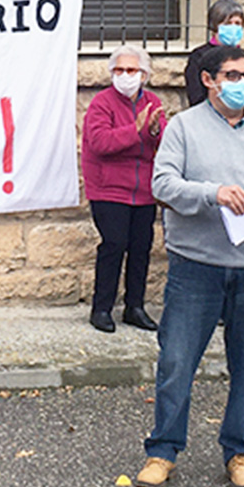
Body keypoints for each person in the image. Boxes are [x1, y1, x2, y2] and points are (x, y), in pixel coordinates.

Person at [134, 45, 244, 487]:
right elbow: (163, 183)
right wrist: (212, 193)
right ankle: (162, 451)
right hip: (196, 266)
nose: (242, 84)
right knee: (176, 361)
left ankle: (240, 452)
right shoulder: (183, 127)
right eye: (231, 76)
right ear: (210, 80)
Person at [80, 44, 165, 334]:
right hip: (109, 190)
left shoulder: (152, 101)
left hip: (143, 190)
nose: (125, 75)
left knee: (141, 248)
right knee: (114, 245)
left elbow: (163, 142)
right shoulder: (101, 103)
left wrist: (154, 130)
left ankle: (135, 307)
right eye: (119, 70)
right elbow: (102, 143)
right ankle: (101, 308)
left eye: (131, 70)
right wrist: (137, 129)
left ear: (144, 74)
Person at [181, 0, 244, 110]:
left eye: (237, 23)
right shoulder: (199, 56)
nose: (233, 28)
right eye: (227, 23)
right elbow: (196, 97)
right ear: (215, 25)